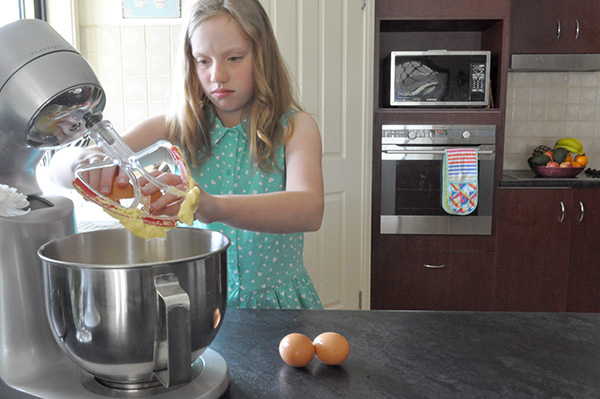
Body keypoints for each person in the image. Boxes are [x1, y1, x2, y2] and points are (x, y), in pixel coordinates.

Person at [52, 0, 324, 310]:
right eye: (203, 61)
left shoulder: (295, 126)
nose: (218, 75)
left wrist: (213, 206)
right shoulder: (174, 129)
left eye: (234, 58)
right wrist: (78, 161)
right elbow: (53, 172)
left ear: (263, 56)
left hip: (283, 306)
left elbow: (309, 209)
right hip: (200, 305)